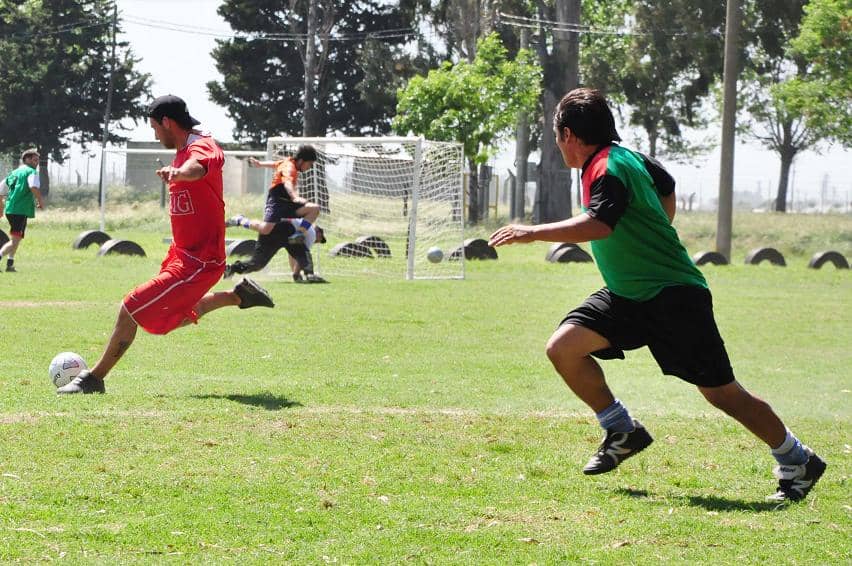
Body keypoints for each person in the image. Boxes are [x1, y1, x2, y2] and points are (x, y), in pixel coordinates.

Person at [488, 87, 825, 502]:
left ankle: (798, 459)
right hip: (628, 294)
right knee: (564, 348)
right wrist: (653, 228)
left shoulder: (607, 166)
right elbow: (666, 186)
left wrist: (532, 233)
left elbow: (600, 223)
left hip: (673, 296)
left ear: (570, 135)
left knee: (722, 393)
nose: (557, 145)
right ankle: (621, 428)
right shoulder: (626, 158)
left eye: (557, 136)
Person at [58, 95, 276, 395]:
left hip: (201, 261)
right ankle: (238, 296)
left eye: (154, 128)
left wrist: (179, 173)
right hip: (182, 255)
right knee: (162, 322)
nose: (154, 134)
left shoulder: (202, 147)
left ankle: (92, 379)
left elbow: (198, 168)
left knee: (131, 307)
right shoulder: (181, 149)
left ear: (167, 122)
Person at [227, 145, 320, 243]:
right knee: (265, 230)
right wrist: (295, 196)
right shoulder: (290, 168)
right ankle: (240, 220)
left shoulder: (287, 162)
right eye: (310, 164)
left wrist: (260, 164)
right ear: (301, 161)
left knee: (314, 209)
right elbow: (287, 183)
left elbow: (274, 164)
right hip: (276, 202)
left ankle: (298, 235)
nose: (310, 167)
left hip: (288, 203)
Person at [224, 218, 327, 283]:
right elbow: (302, 254)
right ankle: (310, 275)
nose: (316, 242)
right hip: (286, 229)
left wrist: (295, 274)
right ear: (319, 233)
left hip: (272, 228)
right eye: (319, 240)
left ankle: (232, 268)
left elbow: (293, 255)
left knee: (257, 263)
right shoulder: (312, 233)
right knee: (304, 255)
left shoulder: (301, 225)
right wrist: (296, 275)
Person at [1, 148, 45, 272]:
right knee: (15, 240)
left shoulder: (14, 173)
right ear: (26, 159)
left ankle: (10, 264)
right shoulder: (31, 172)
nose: (37, 163)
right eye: (34, 160)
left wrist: (1, 207)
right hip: (20, 210)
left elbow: (1, 190)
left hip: (12, 209)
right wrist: (40, 201)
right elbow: (33, 187)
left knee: (16, 238)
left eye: (38, 160)